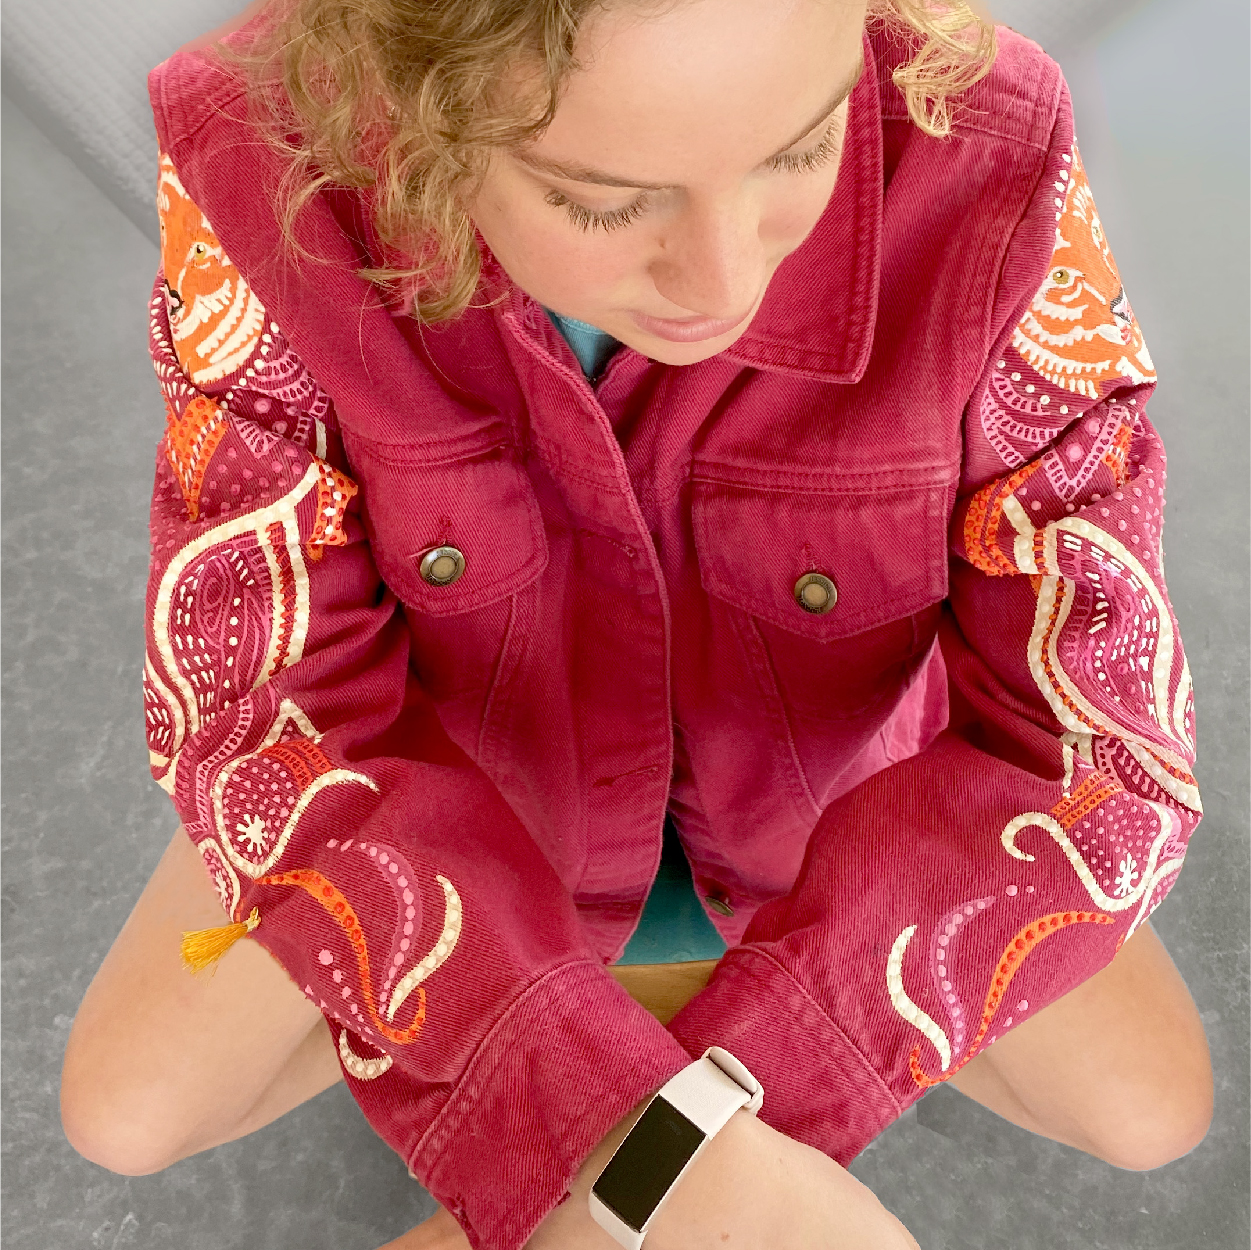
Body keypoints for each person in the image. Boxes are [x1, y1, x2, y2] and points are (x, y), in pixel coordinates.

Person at [60, 1, 1214, 1248]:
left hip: (823, 827)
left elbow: (1103, 746)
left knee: (1154, 1107)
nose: (727, 280)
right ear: (413, 105)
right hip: (449, 812)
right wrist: (670, 1147)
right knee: (124, 1111)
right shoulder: (253, 154)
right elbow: (256, 701)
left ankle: (554, 1047)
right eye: (605, 203)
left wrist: (640, 1156)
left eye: (803, 148)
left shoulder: (992, 144)